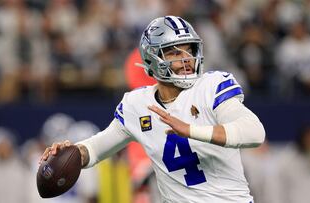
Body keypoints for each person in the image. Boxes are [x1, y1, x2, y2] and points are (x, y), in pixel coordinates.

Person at [40, 16, 265, 203]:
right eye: (175, 53)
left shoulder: (211, 86)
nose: (186, 59)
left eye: (190, 50)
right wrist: (71, 153)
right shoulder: (137, 105)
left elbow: (255, 132)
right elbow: (97, 148)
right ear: (152, 58)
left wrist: (191, 130)